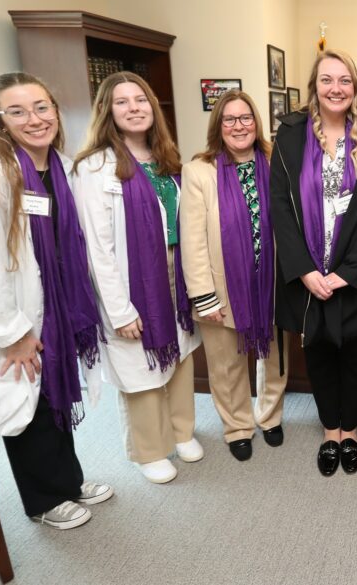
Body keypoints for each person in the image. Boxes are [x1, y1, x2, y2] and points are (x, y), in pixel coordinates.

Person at [0, 72, 112, 529]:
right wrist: (12, 334)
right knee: (27, 410)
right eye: (18, 111)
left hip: (55, 307)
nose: (34, 119)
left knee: (54, 400)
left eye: (42, 107)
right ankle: (45, 500)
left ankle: (68, 482)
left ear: (55, 110)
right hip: (11, 320)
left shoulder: (63, 168)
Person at [270, 50, 357, 476]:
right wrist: (305, 270)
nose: (336, 88)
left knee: (356, 350)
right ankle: (329, 430)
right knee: (319, 350)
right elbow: (280, 210)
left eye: (345, 80)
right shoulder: (289, 138)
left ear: (355, 87)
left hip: (353, 272)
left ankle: (352, 429)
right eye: (327, 80)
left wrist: (347, 274)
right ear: (314, 87)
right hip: (308, 269)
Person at [73, 72, 202, 484]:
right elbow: (97, 248)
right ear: (107, 112)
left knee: (179, 353)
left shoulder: (166, 160)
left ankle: (182, 430)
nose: (134, 108)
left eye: (141, 100)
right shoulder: (95, 167)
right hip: (131, 282)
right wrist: (119, 309)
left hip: (173, 273)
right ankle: (149, 449)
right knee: (139, 364)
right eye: (122, 102)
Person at [180, 89, 285, 460]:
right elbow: (192, 241)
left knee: (274, 358)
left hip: (272, 285)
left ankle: (270, 416)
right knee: (226, 365)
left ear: (256, 123)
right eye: (230, 119)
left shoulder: (277, 162)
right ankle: (238, 426)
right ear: (218, 126)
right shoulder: (198, 172)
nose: (239, 126)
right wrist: (204, 296)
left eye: (246, 118)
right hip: (221, 288)